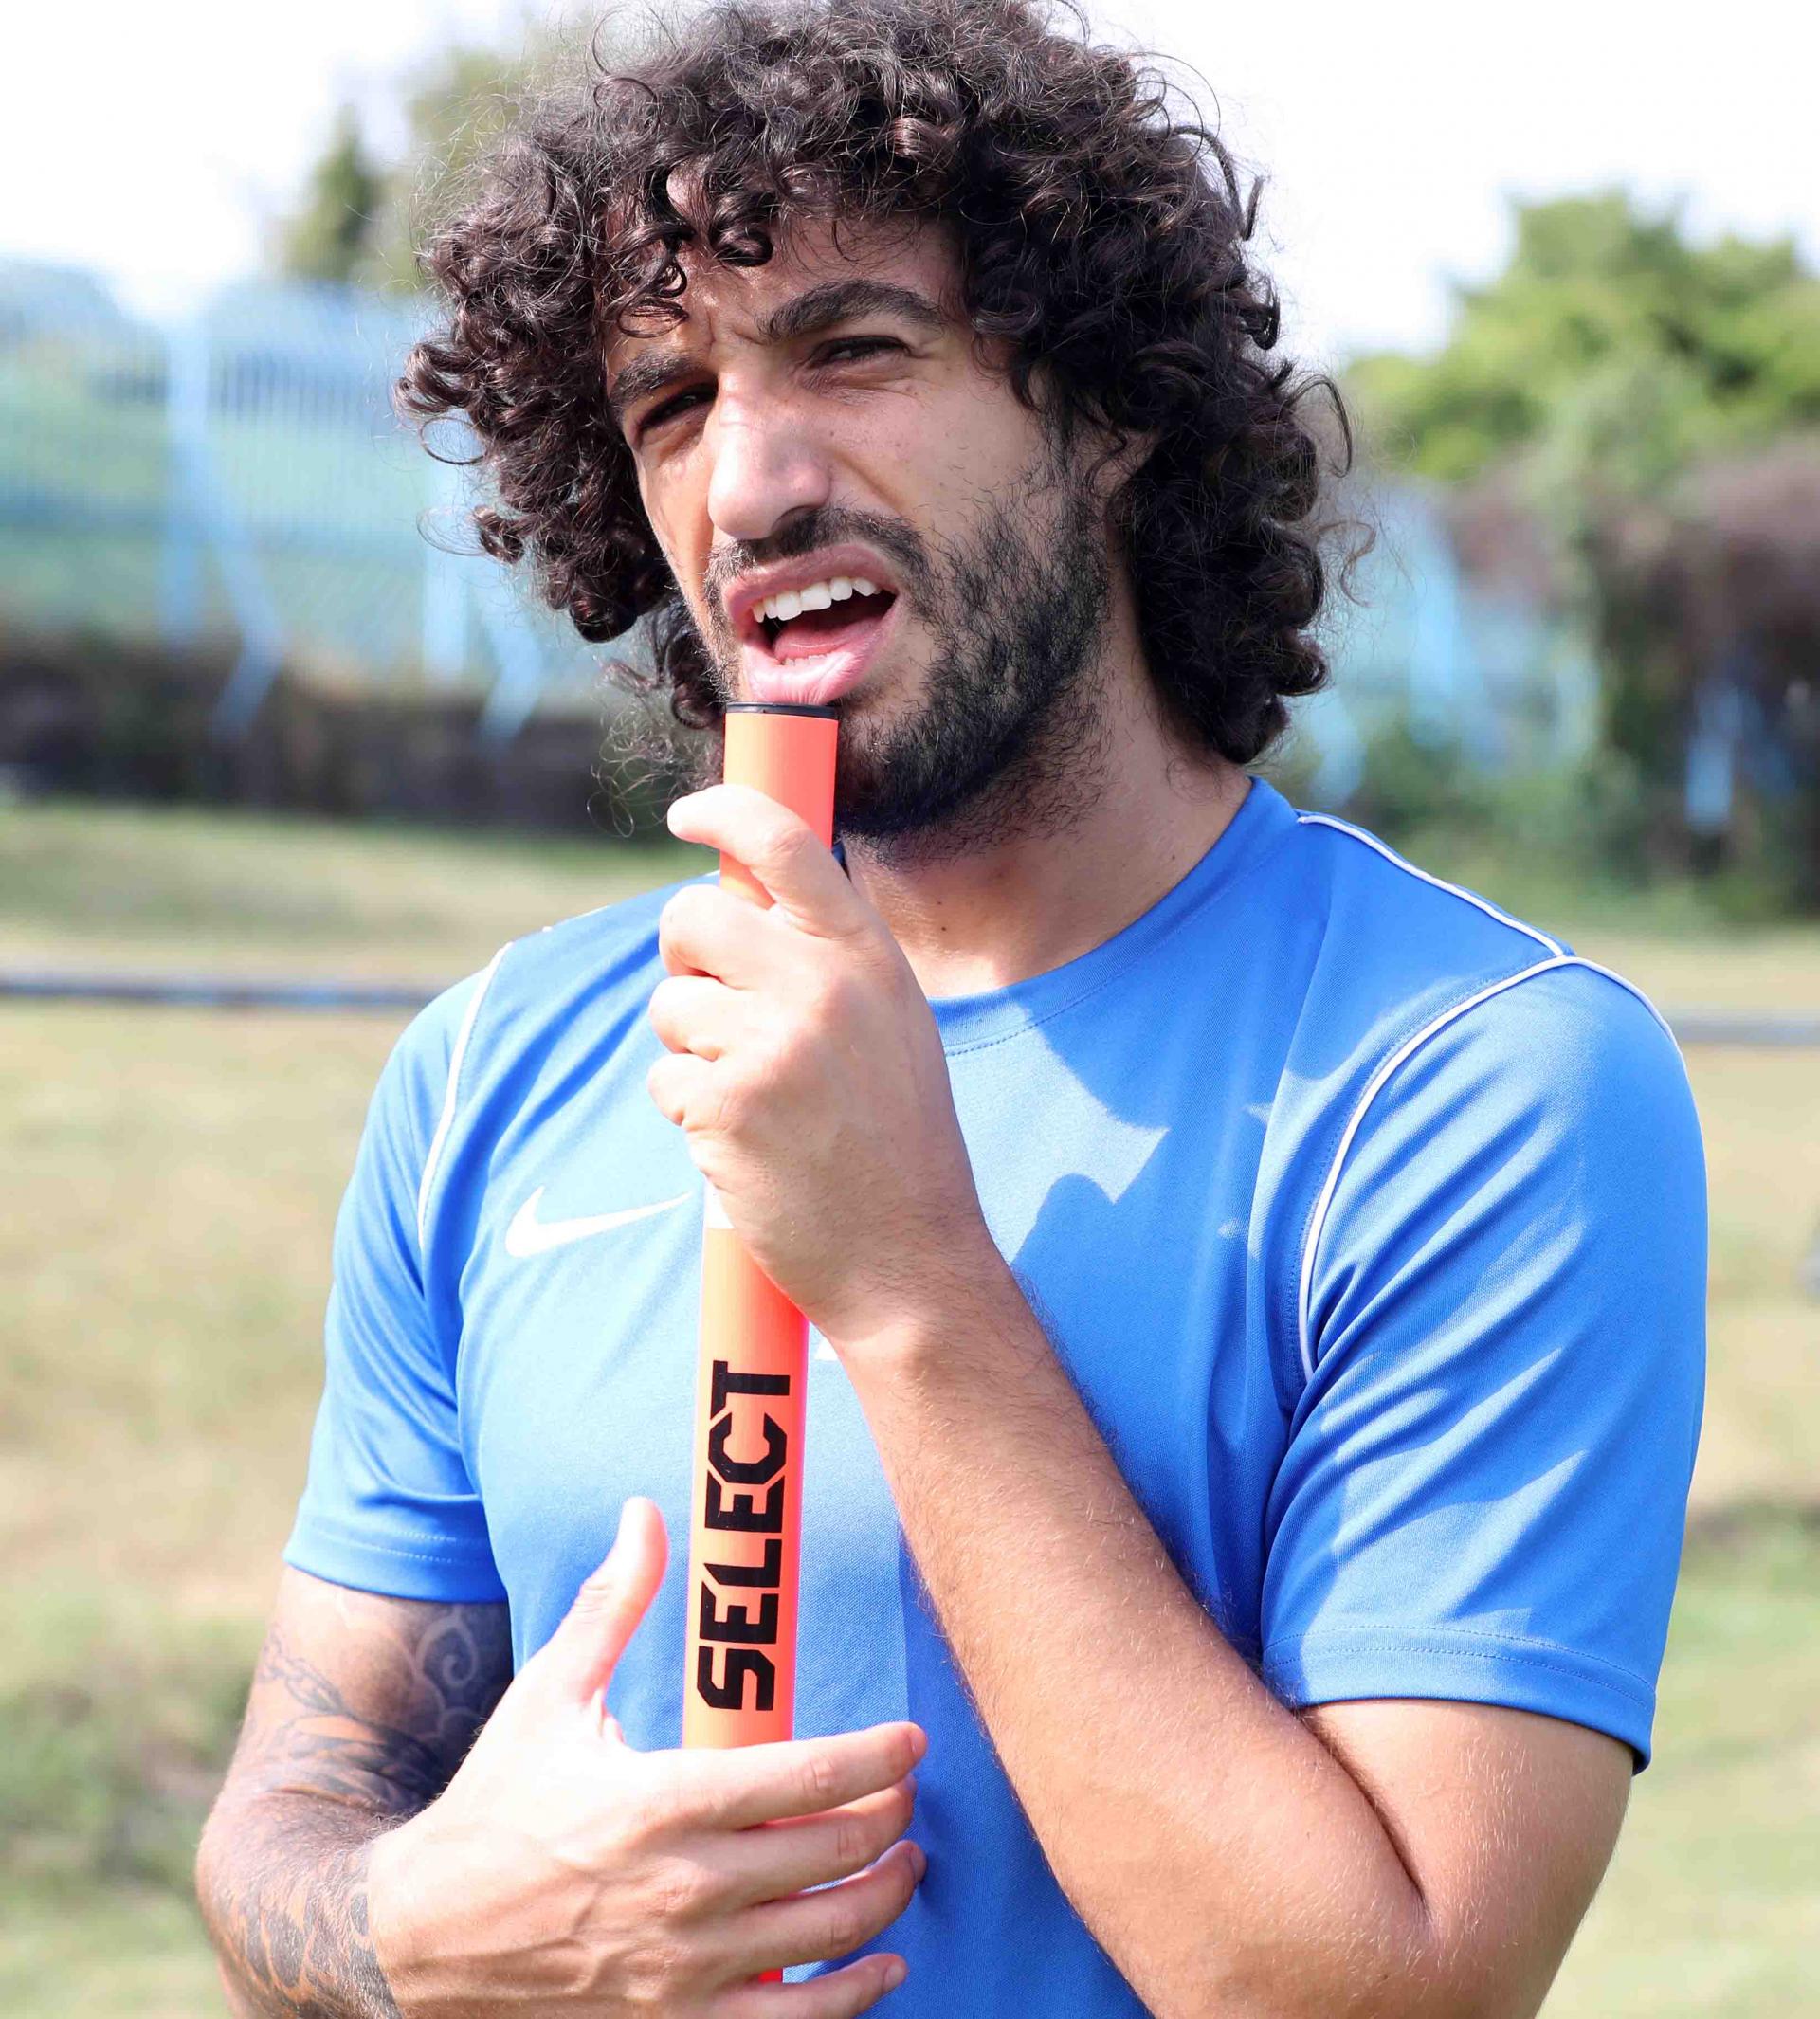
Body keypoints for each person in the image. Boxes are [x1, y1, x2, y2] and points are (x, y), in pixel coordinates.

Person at [195, 3, 1706, 2014]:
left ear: (1109, 405)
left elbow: (1383, 1992)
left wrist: (906, 1270)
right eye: (670, 401)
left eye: (853, 349)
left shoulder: (1480, 1080)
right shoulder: (493, 1066)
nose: (750, 482)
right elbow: (292, 1811)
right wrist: (413, 1936)